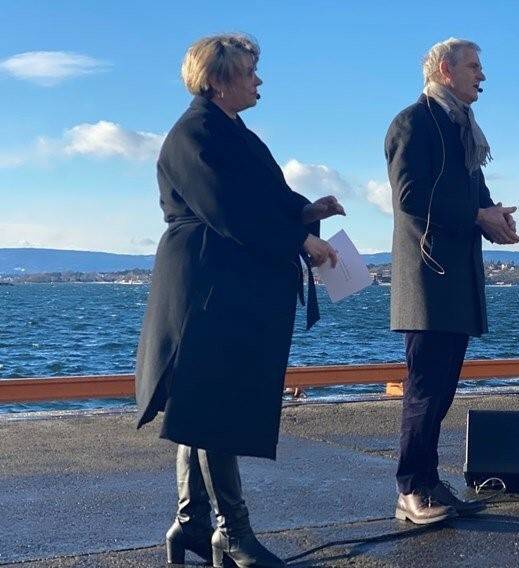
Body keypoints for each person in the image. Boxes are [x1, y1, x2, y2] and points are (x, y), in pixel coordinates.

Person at [134, 34, 342, 567]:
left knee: (200, 405)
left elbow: (264, 198)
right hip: (204, 286)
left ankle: (190, 524)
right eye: (250, 72)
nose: (259, 80)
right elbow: (229, 210)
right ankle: (232, 533)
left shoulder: (231, 130)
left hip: (223, 282)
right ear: (218, 79)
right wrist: (299, 239)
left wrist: (305, 211)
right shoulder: (195, 133)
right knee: (211, 406)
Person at [384, 37, 519, 524]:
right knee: (424, 388)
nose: (481, 76)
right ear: (445, 69)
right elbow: (409, 197)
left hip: (454, 277)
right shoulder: (413, 122)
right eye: (473, 67)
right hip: (427, 277)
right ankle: (410, 489)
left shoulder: (461, 127)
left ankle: (429, 479)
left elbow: (474, 196)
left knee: (441, 389)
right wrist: (478, 214)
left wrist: (494, 218)